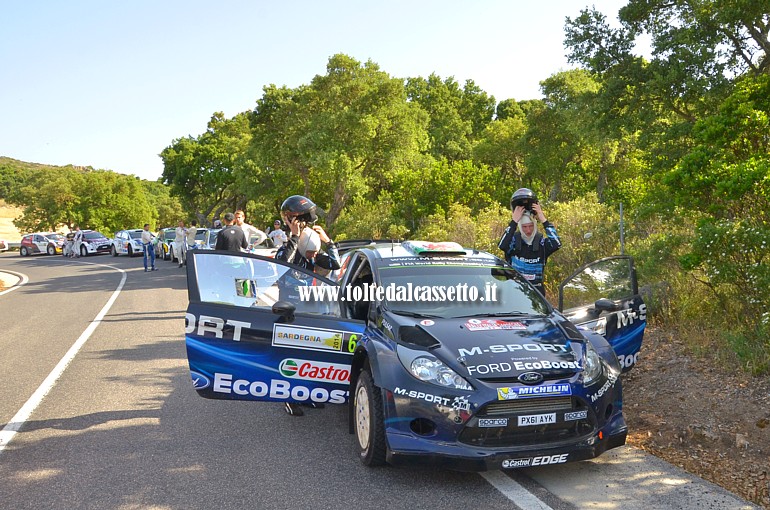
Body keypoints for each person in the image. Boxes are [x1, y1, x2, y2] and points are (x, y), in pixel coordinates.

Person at [275, 195, 341, 417]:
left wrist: (329, 242)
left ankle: (308, 395)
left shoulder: (314, 252)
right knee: (291, 359)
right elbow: (284, 265)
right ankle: (290, 398)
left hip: (313, 310)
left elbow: (335, 264)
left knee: (311, 356)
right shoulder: (287, 249)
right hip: (291, 313)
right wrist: (294, 237)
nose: (313, 256)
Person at [498, 188, 561, 298]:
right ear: (520, 227)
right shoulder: (513, 241)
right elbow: (502, 245)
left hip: (537, 295)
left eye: (531, 226)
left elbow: (557, 244)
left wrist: (542, 218)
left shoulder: (542, 243)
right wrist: (514, 221)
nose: (528, 230)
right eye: (524, 227)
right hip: (515, 292)